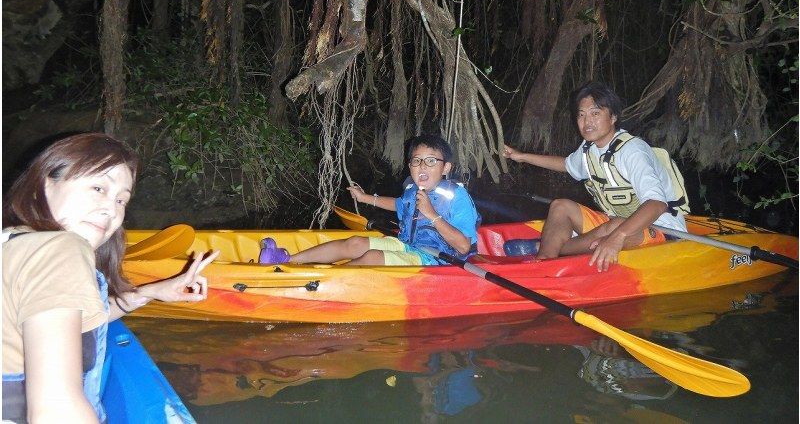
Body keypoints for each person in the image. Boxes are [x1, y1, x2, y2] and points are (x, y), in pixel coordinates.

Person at [2, 132, 219, 423]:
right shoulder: (62, 248)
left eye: (121, 200)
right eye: (98, 188)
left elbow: (64, 322)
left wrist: (149, 292)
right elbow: (56, 409)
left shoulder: (15, 241)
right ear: (45, 183)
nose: (111, 210)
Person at [502, 82, 687, 272]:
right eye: (581, 115)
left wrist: (618, 237)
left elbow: (657, 203)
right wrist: (521, 156)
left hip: (662, 229)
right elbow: (565, 165)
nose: (587, 121)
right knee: (560, 206)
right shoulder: (588, 150)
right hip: (617, 222)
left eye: (595, 113)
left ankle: (548, 246)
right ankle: (544, 264)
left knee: (613, 227)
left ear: (613, 117)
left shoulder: (632, 151)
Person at [259, 134, 480, 266]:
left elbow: (462, 247)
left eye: (431, 161)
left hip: (439, 260)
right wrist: (366, 198)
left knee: (373, 256)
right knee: (355, 242)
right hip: (408, 245)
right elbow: (398, 205)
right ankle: (287, 259)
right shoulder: (414, 190)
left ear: (446, 168)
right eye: (416, 161)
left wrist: (432, 215)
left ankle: (320, 283)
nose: (422, 166)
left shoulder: (457, 197)